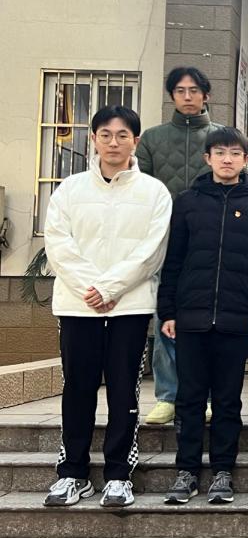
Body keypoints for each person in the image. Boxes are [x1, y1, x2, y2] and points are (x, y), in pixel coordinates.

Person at [43, 106, 172, 507]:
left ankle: (119, 474)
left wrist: (112, 287)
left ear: (135, 141)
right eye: (105, 135)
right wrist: (93, 289)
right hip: (78, 305)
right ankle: (72, 473)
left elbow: (152, 251)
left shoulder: (154, 192)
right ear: (94, 139)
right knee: (77, 388)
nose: (113, 143)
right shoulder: (69, 190)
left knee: (123, 389)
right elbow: (58, 245)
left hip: (129, 306)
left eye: (122, 135)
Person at [159, 128, 248, 505]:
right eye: (220, 152)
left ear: (246, 159)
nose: (227, 159)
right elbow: (173, 260)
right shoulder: (187, 202)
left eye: (235, 153)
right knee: (189, 398)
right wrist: (168, 311)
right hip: (191, 317)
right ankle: (187, 471)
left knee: (228, 399)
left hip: (236, 317)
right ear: (207, 158)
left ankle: (223, 470)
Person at [137, 67, 224, 426]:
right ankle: (168, 395)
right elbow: (139, 189)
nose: (187, 97)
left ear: (206, 94)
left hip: (212, 243)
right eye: (180, 91)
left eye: (194, 90)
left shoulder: (220, 137)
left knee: (211, 324)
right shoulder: (152, 139)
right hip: (166, 242)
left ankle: (206, 396)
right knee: (166, 319)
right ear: (171, 95)